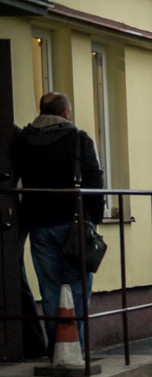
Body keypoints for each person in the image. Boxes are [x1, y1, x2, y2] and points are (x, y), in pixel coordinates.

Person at [12, 92, 103, 348]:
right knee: (77, 288)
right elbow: (94, 181)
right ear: (65, 113)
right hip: (74, 224)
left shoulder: (23, 142)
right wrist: (93, 220)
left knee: (50, 291)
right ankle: (77, 350)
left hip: (39, 225)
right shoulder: (78, 138)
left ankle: (58, 350)